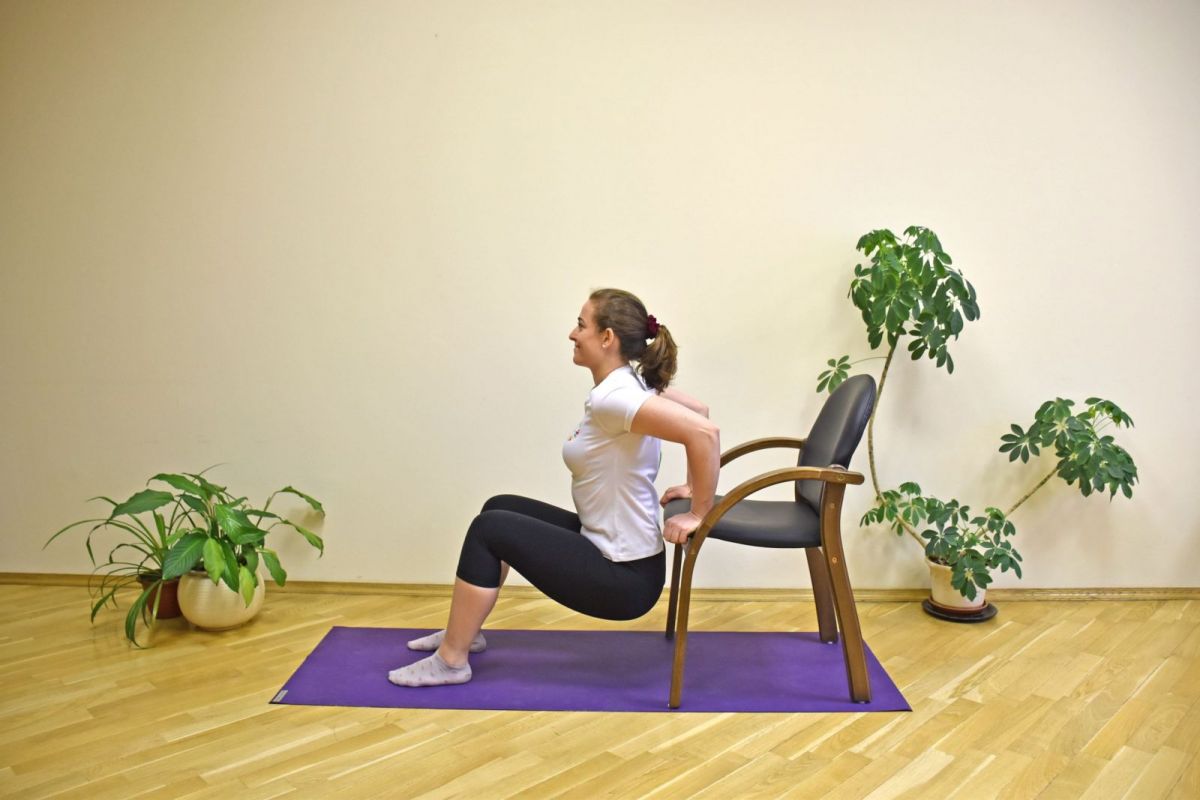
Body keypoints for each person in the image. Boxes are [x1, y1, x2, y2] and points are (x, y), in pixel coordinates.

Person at [388, 288, 719, 686]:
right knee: (499, 506)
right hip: (613, 549)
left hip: (623, 578)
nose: (572, 334)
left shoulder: (616, 397)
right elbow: (699, 412)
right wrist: (690, 485)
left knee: (489, 530)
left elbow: (704, 432)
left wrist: (699, 512)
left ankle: (451, 660)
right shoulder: (629, 384)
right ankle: (466, 632)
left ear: (607, 337)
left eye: (581, 325)